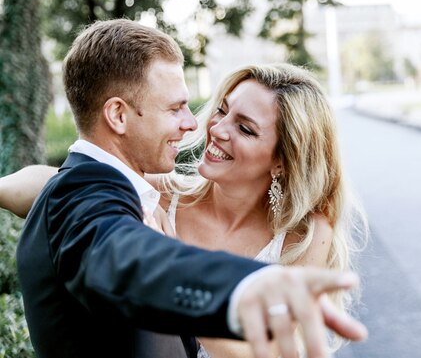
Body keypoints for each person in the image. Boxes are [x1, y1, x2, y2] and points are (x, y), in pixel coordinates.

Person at [4, 19, 366, 358]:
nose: (208, 126)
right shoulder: (144, 198)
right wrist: (234, 291)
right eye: (221, 111)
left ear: (282, 161)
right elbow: (88, 214)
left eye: (245, 128)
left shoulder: (304, 232)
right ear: (117, 115)